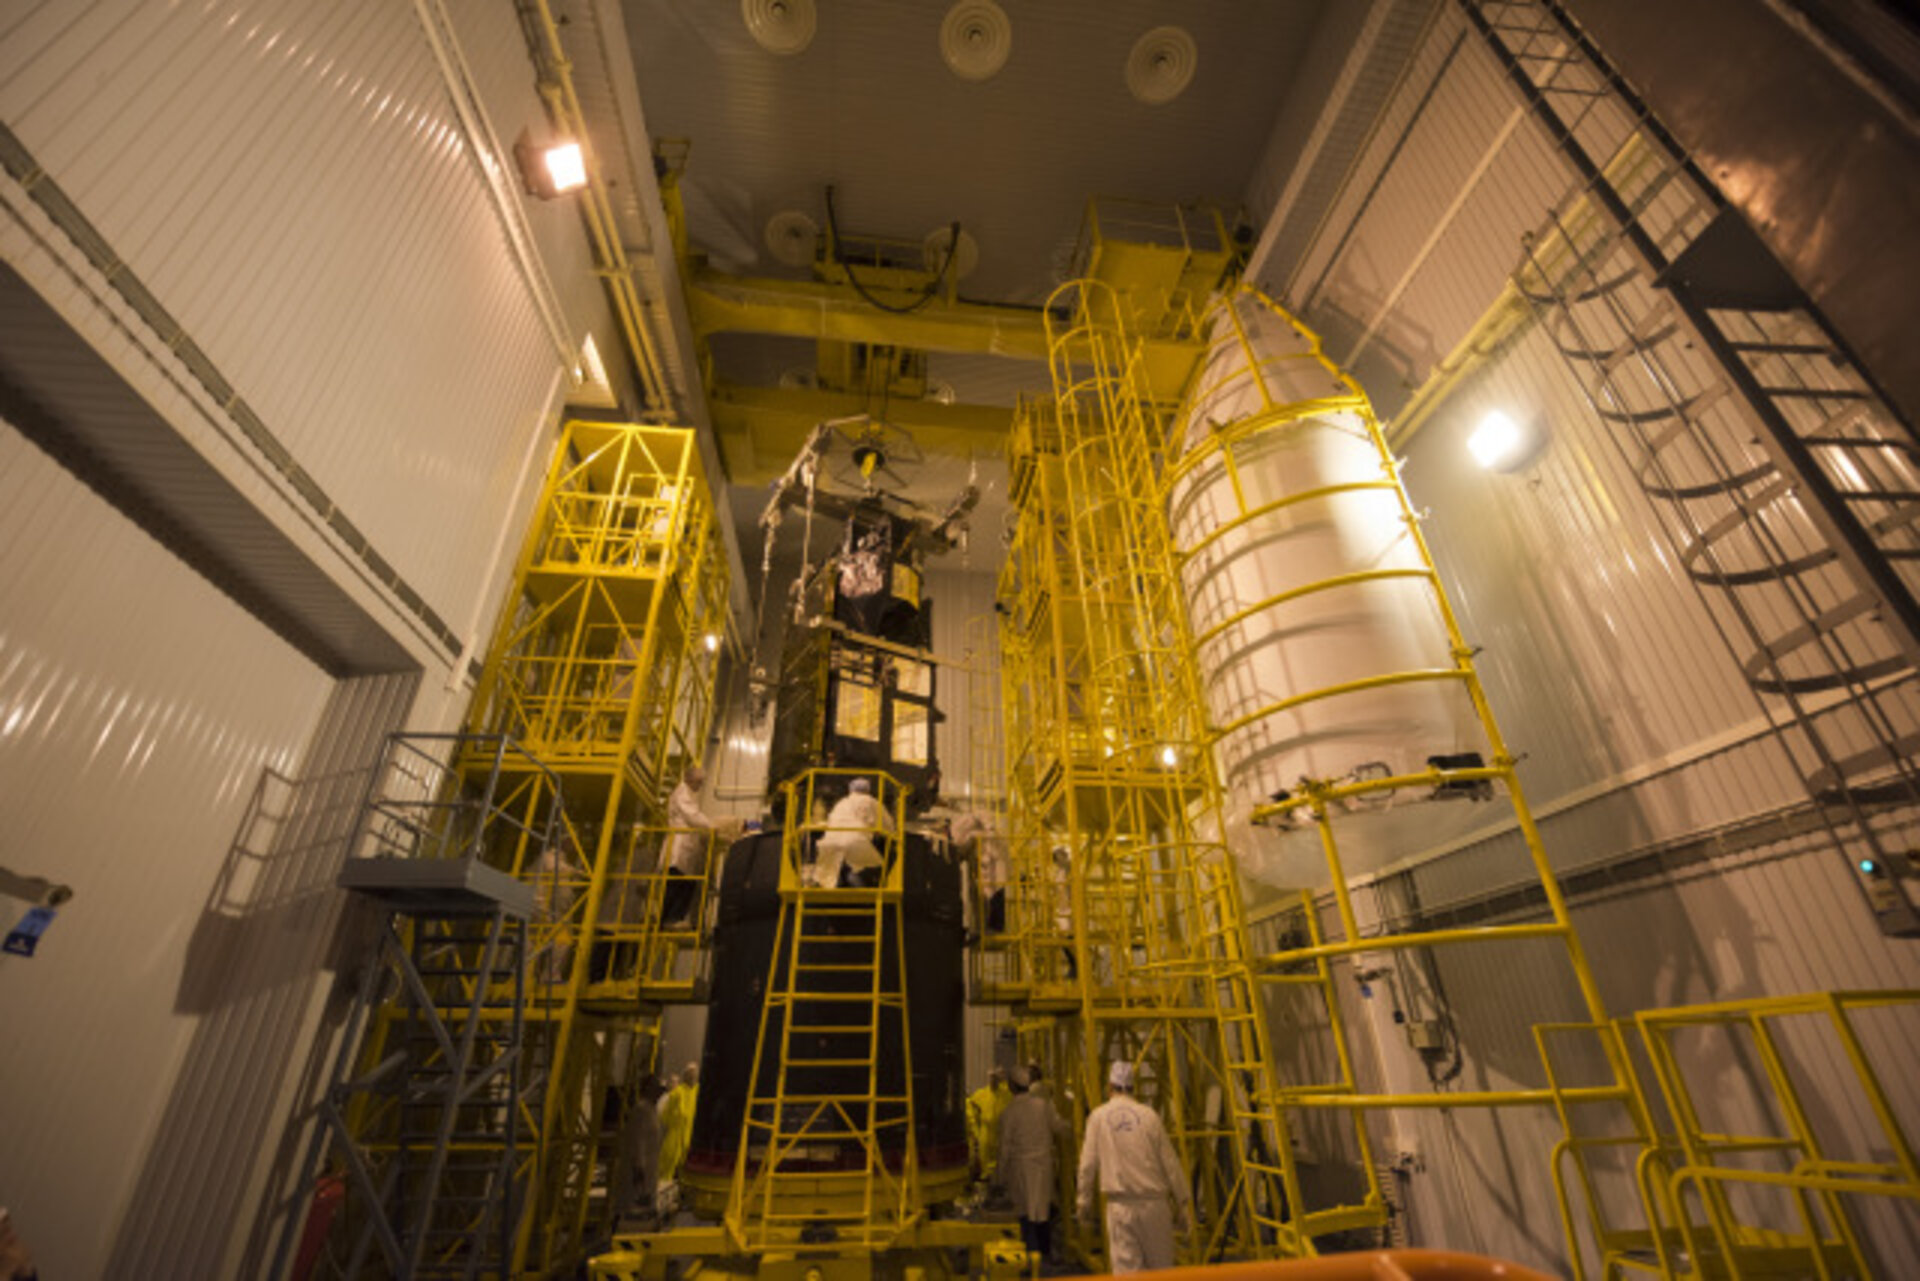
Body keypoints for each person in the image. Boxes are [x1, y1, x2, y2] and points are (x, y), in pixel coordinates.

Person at [1076, 1060, 1193, 1274]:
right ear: (1133, 1087)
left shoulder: (1098, 1117)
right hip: (1155, 1207)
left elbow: (1087, 1165)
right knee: (1163, 1272)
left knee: (1128, 1274)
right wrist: (1184, 1203)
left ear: (1109, 1087)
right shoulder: (1150, 1116)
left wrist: (1084, 1202)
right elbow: (1170, 1163)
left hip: (1121, 1209)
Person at [998, 1067, 1070, 1266]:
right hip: (1043, 1164)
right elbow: (1060, 1127)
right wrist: (1079, 1126)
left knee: (1025, 1212)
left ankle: (1031, 1255)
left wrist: (1000, 1175)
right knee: (1042, 1209)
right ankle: (1045, 1252)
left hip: (1020, 1167)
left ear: (1012, 1087)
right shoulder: (1043, 1105)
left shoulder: (1009, 1112)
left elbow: (1004, 1147)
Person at [663, 767, 719, 925]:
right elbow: (692, 816)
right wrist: (711, 825)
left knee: (687, 884)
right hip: (679, 847)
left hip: (686, 849)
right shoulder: (682, 793)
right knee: (676, 885)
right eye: (699, 782)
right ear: (689, 779)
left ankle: (676, 918)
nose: (700, 786)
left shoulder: (687, 794)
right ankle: (667, 919)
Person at [816, 778, 892, 888]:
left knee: (834, 874)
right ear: (868, 790)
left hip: (829, 844)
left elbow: (830, 822)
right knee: (869, 868)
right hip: (856, 843)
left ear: (850, 790)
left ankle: (840, 884)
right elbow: (889, 827)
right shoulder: (872, 802)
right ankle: (865, 898)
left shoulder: (842, 803)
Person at [612, 1074, 666, 1225]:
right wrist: (639, 1166)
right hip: (640, 1170)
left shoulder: (652, 1110)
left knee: (644, 1204)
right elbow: (638, 1141)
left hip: (650, 1168)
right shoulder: (641, 1110)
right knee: (633, 1204)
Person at [965, 1066, 1010, 1183]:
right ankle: (986, 1178)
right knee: (984, 1154)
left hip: (1000, 1130)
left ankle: (1000, 1179)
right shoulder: (982, 1093)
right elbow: (969, 1103)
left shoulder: (1006, 1094)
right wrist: (974, 1125)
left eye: (995, 1078)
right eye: (991, 1078)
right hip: (985, 1130)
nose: (993, 1080)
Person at [658, 1062, 701, 1185]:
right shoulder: (676, 1093)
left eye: (694, 1074)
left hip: (690, 1136)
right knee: (667, 1165)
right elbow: (665, 1117)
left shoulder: (699, 1092)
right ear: (685, 1075)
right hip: (674, 1135)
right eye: (690, 1074)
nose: (692, 1076)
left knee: (687, 1170)